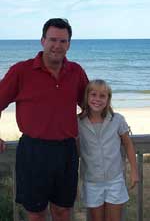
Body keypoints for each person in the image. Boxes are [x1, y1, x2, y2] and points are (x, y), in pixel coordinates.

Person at [0, 18, 88, 221]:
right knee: (36, 213)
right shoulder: (21, 71)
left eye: (63, 41)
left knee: (63, 211)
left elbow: (92, 107)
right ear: (42, 41)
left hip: (67, 150)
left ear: (69, 44)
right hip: (33, 151)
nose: (57, 46)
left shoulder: (75, 71)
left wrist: (111, 130)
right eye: (53, 39)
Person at [78, 79, 139, 221]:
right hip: (91, 181)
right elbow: (75, 152)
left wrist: (134, 171)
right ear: (87, 97)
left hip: (115, 180)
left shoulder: (117, 120)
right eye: (93, 95)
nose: (97, 99)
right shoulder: (79, 122)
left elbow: (128, 145)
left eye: (102, 96)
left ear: (108, 99)